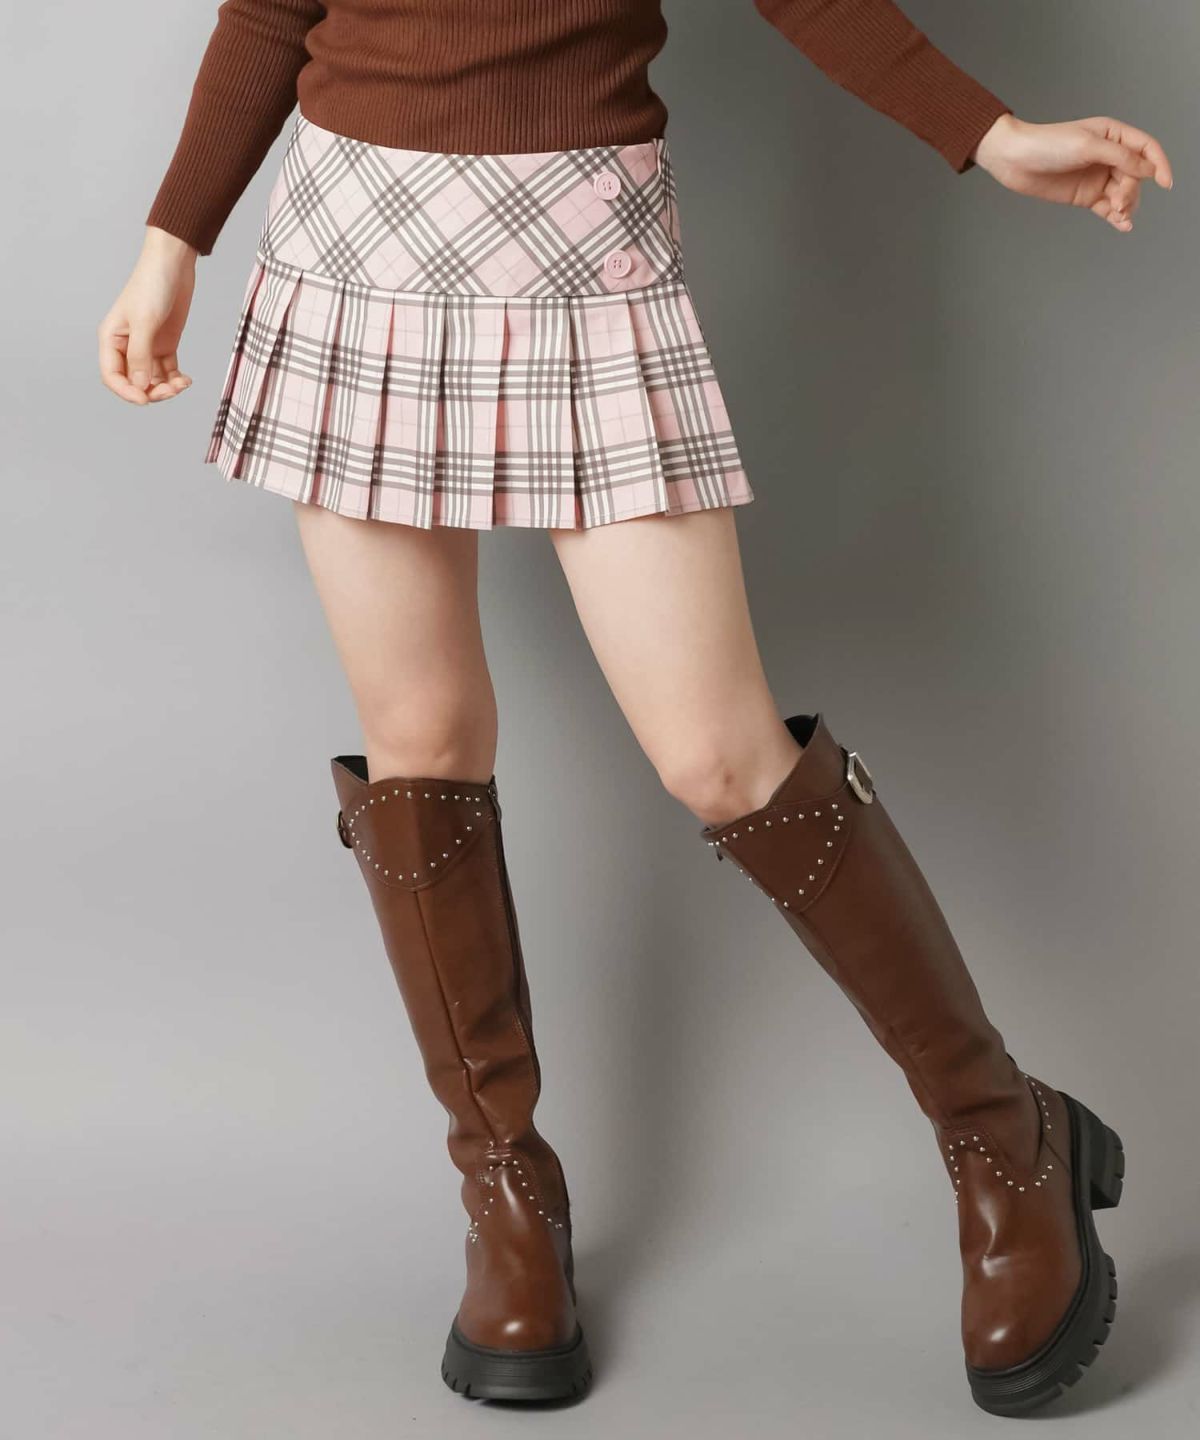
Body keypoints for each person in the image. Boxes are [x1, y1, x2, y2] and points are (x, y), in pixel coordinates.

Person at [98, 0, 1172, 1416]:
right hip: (349, 244)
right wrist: (173, 239)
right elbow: (270, 10)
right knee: (421, 745)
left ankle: (1003, 1133)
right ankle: (506, 1195)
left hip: (582, 254)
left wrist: (987, 132)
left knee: (722, 754)